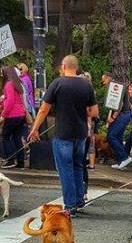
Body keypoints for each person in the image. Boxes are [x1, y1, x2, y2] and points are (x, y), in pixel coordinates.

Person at [29, 55, 97, 213]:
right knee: (78, 166)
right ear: (76, 67)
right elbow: (94, 111)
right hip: (80, 133)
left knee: (65, 169)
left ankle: (70, 204)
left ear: (63, 66)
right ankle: (79, 200)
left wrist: (35, 128)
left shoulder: (57, 84)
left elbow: (44, 109)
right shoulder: (86, 85)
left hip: (62, 132)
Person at [106, 73, 132, 170]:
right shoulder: (121, 87)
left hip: (122, 115)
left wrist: (113, 117)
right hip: (126, 114)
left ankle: (124, 158)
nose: (104, 82)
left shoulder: (115, 87)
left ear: (109, 78)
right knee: (118, 137)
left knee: (111, 136)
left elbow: (119, 104)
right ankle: (121, 161)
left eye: (104, 80)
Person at [0, 65, 29, 169]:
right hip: (21, 114)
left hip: (12, 114)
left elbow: (11, 101)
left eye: (1, 73)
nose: (0, 75)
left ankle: (10, 160)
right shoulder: (18, 84)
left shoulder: (8, 85)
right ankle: (21, 162)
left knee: (5, 137)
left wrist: (3, 114)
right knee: (17, 138)